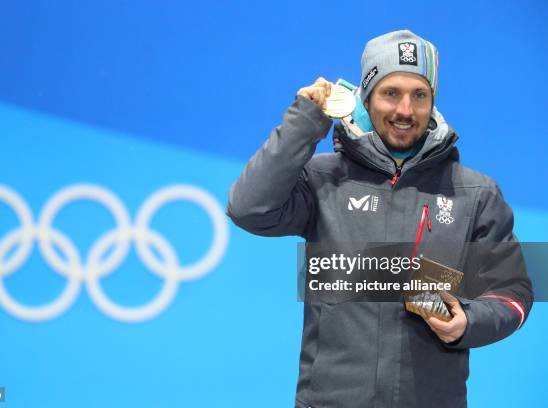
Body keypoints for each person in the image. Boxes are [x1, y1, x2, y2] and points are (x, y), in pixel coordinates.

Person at [226, 30, 533, 408]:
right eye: (391, 93)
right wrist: (304, 121)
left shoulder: (475, 194)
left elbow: (514, 293)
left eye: (419, 95)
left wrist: (468, 321)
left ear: (432, 102)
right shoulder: (323, 180)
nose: (405, 110)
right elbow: (248, 209)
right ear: (366, 98)